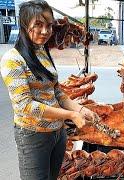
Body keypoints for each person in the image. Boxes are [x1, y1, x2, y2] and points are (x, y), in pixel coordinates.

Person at [0, 1, 97, 179]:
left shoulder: (42, 52)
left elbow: (57, 92)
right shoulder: (12, 59)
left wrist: (81, 109)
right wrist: (70, 115)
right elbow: (25, 106)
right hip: (33, 136)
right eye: (38, 25)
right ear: (24, 25)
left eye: (49, 25)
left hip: (57, 134)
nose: (45, 31)